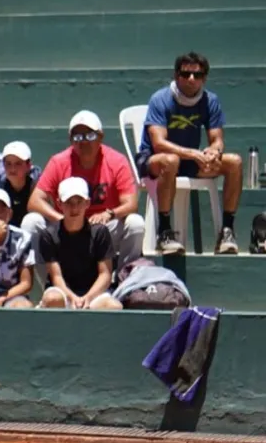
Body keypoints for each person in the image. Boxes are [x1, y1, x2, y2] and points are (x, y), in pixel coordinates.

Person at [135, 51, 242, 255]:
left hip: (186, 162)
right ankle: (164, 232)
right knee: (171, 159)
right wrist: (193, 153)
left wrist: (214, 151)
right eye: (185, 74)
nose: (191, 79)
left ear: (204, 78)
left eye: (197, 75)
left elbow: (217, 139)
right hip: (154, 160)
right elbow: (159, 144)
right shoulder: (161, 99)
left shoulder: (210, 101)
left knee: (234, 162)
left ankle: (227, 231)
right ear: (176, 76)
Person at [23, 110, 144, 276]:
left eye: (89, 136)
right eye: (77, 137)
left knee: (136, 223)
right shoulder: (59, 161)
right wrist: (63, 220)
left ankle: (126, 282)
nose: (84, 142)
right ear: (70, 140)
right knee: (31, 222)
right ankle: (50, 291)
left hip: (103, 227)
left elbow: (131, 204)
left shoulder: (116, 161)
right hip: (67, 227)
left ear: (100, 136)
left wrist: (109, 214)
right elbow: (35, 201)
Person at [37, 177, 123, 310]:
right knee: (52, 299)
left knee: (114, 306)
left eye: (79, 202)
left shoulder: (100, 232)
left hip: (93, 294)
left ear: (87, 203)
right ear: (59, 204)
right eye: (68, 202)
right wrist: (72, 298)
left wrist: (88, 298)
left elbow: (105, 274)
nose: (74, 208)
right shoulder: (48, 235)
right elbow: (56, 276)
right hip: (62, 294)